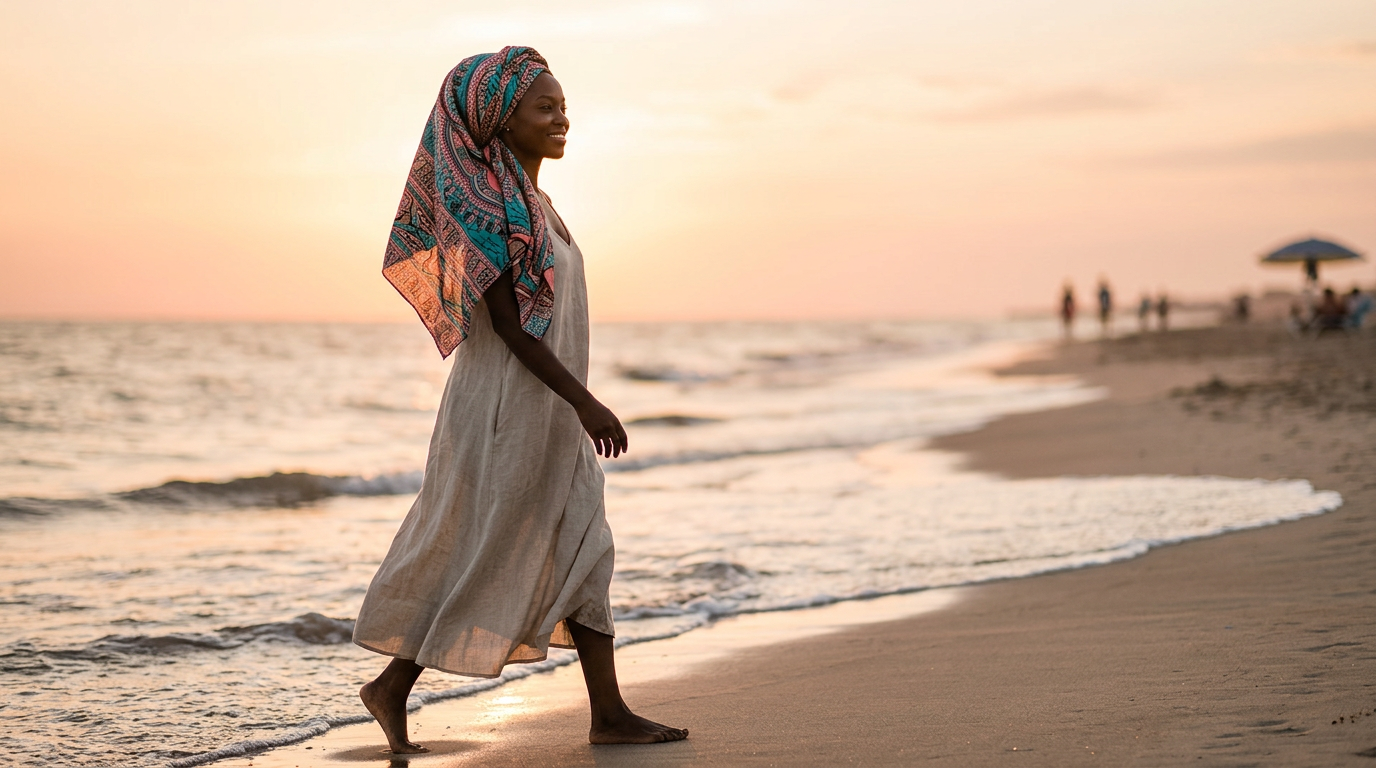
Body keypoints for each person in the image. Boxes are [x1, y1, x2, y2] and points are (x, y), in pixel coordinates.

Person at [353, 47, 687, 753]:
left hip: (548, 411)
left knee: (587, 545)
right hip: (505, 409)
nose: (562, 117)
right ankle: (392, 685)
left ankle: (609, 714)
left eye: (563, 103)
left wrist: (574, 407)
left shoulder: (536, 202)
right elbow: (508, 328)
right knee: (482, 547)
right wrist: (587, 403)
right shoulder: (484, 211)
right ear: (499, 123)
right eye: (545, 106)